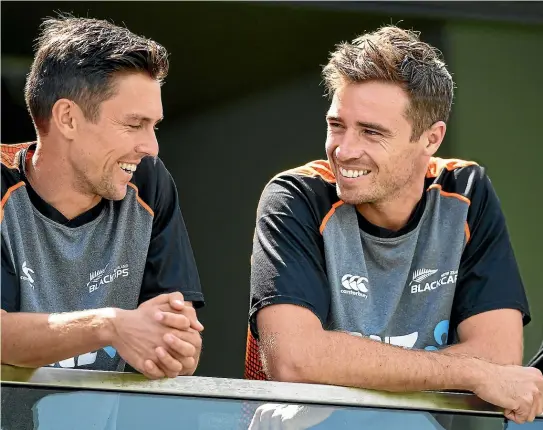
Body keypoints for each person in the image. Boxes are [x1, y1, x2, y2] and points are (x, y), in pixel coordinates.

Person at [244, 25, 543, 427]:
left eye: (372, 132)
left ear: (432, 138)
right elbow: (296, 359)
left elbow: (500, 356)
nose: (345, 150)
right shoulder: (295, 196)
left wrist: (343, 369)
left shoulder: (466, 193)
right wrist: (470, 371)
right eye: (337, 125)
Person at [1, 15, 205, 380]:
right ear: (67, 118)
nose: (151, 146)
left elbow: (179, 336)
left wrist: (176, 348)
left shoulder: (149, 182)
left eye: (153, 126)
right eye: (133, 124)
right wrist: (109, 325)